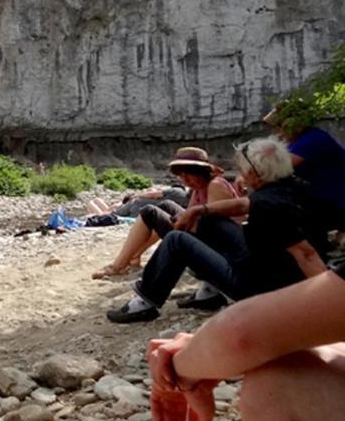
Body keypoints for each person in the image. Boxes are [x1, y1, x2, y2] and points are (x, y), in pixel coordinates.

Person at [147, 263, 345, 421]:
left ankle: (141, 293)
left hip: (256, 285)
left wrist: (173, 374)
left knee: (276, 384)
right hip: (272, 286)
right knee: (288, 360)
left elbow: (237, 337)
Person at [108, 138, 329, 323]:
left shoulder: (268, 205)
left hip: (259, 288)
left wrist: (328, 304)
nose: (240, 173)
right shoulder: (294, 188)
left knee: (176, 240)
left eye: (243, 169)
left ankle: (145, 302)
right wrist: (199, 210)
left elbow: (306, 253)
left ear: (254, 173)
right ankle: (208, 293)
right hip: (266, 266)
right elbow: (245, 204)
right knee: (209, 221)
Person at [91, 148, 230, 280]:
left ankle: (118, 266)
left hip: (214, 248)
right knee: (165, 206)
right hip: (203, 236)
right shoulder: (197, 189)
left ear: (201, 171)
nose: (185, 180)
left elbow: (218, 229)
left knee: (149, 212)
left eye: (189, 174)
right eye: (181, 175)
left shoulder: (215, 186)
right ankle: (134, 255)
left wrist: (181, 222)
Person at [269, 111, 345, 230]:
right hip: (322, 194)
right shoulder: (300, 140)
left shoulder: (311, 140)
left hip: (333, 199)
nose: (277, 131)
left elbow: (278, 168)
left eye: (279, 126)